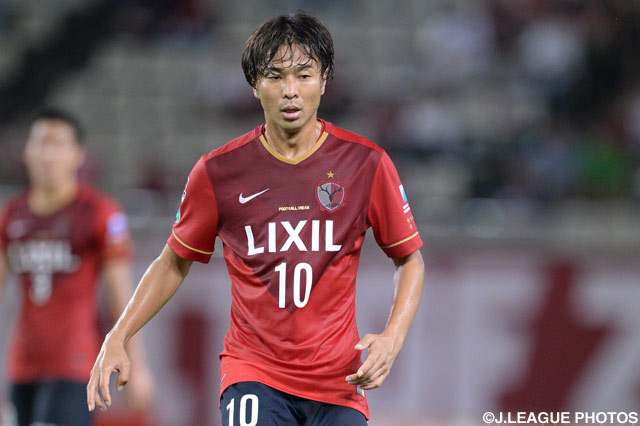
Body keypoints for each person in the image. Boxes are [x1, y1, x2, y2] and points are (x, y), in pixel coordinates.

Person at [87, 11, 425, 425]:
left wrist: (393, 336)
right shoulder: (218, 171)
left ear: (324, 81)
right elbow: (173, 261)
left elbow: (409, 259)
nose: (290, 91)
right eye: (275, 76)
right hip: (254, 373)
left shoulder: (366, 163)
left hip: (339, 381)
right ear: (253, 83)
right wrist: (118, 335)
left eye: (304, 75)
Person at [0, 108, 153, 426]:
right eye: (40, 143)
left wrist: (137, 366)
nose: (47, 154)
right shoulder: (11, 215)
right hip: (21, 368)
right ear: (26, 152)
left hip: (74, 367)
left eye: (57, 144)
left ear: (78, 155)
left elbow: (121, 298)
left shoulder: (98, 213)